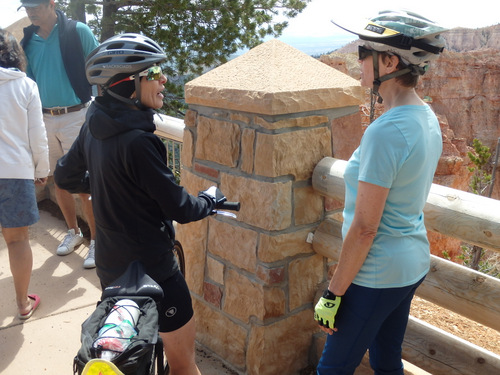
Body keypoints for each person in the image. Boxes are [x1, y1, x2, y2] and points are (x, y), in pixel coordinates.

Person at [54, 33, 226, 375]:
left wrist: (106, 188)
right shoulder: (141, 142)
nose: (163, 79)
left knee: (131, 351)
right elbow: (180, 207)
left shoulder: (94, 123)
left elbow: (65, 177)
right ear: (127, 83)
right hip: (154, 271)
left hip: (111, 267)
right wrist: (208, 200)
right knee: (184, 364)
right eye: (155, 72)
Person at [313, 10, 447, 374]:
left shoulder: (386, 131)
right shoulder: (426, 118)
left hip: (375, 274)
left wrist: (333, 293)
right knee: (386, 357)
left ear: (389, 61)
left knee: (332, 368)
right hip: (409, 264)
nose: (357, 59)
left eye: (362, 52)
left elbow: (365, 227)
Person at [18, 0, 99, 268]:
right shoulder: (27, 41)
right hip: (44, 118)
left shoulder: (78, 31)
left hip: (77, 115)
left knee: (85, 185)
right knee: (58, 180)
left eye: (35, 6)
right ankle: (73, 232)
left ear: (52, 3)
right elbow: (27, 84)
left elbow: (100, 71)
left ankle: (98, 242)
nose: (30, 12)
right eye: (25, 7)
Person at [0, 28, 49, 320]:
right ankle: (22, 304)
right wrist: (41, 169)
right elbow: (37, 134)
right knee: (17, 241)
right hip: (16, 172)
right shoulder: (26, 86)